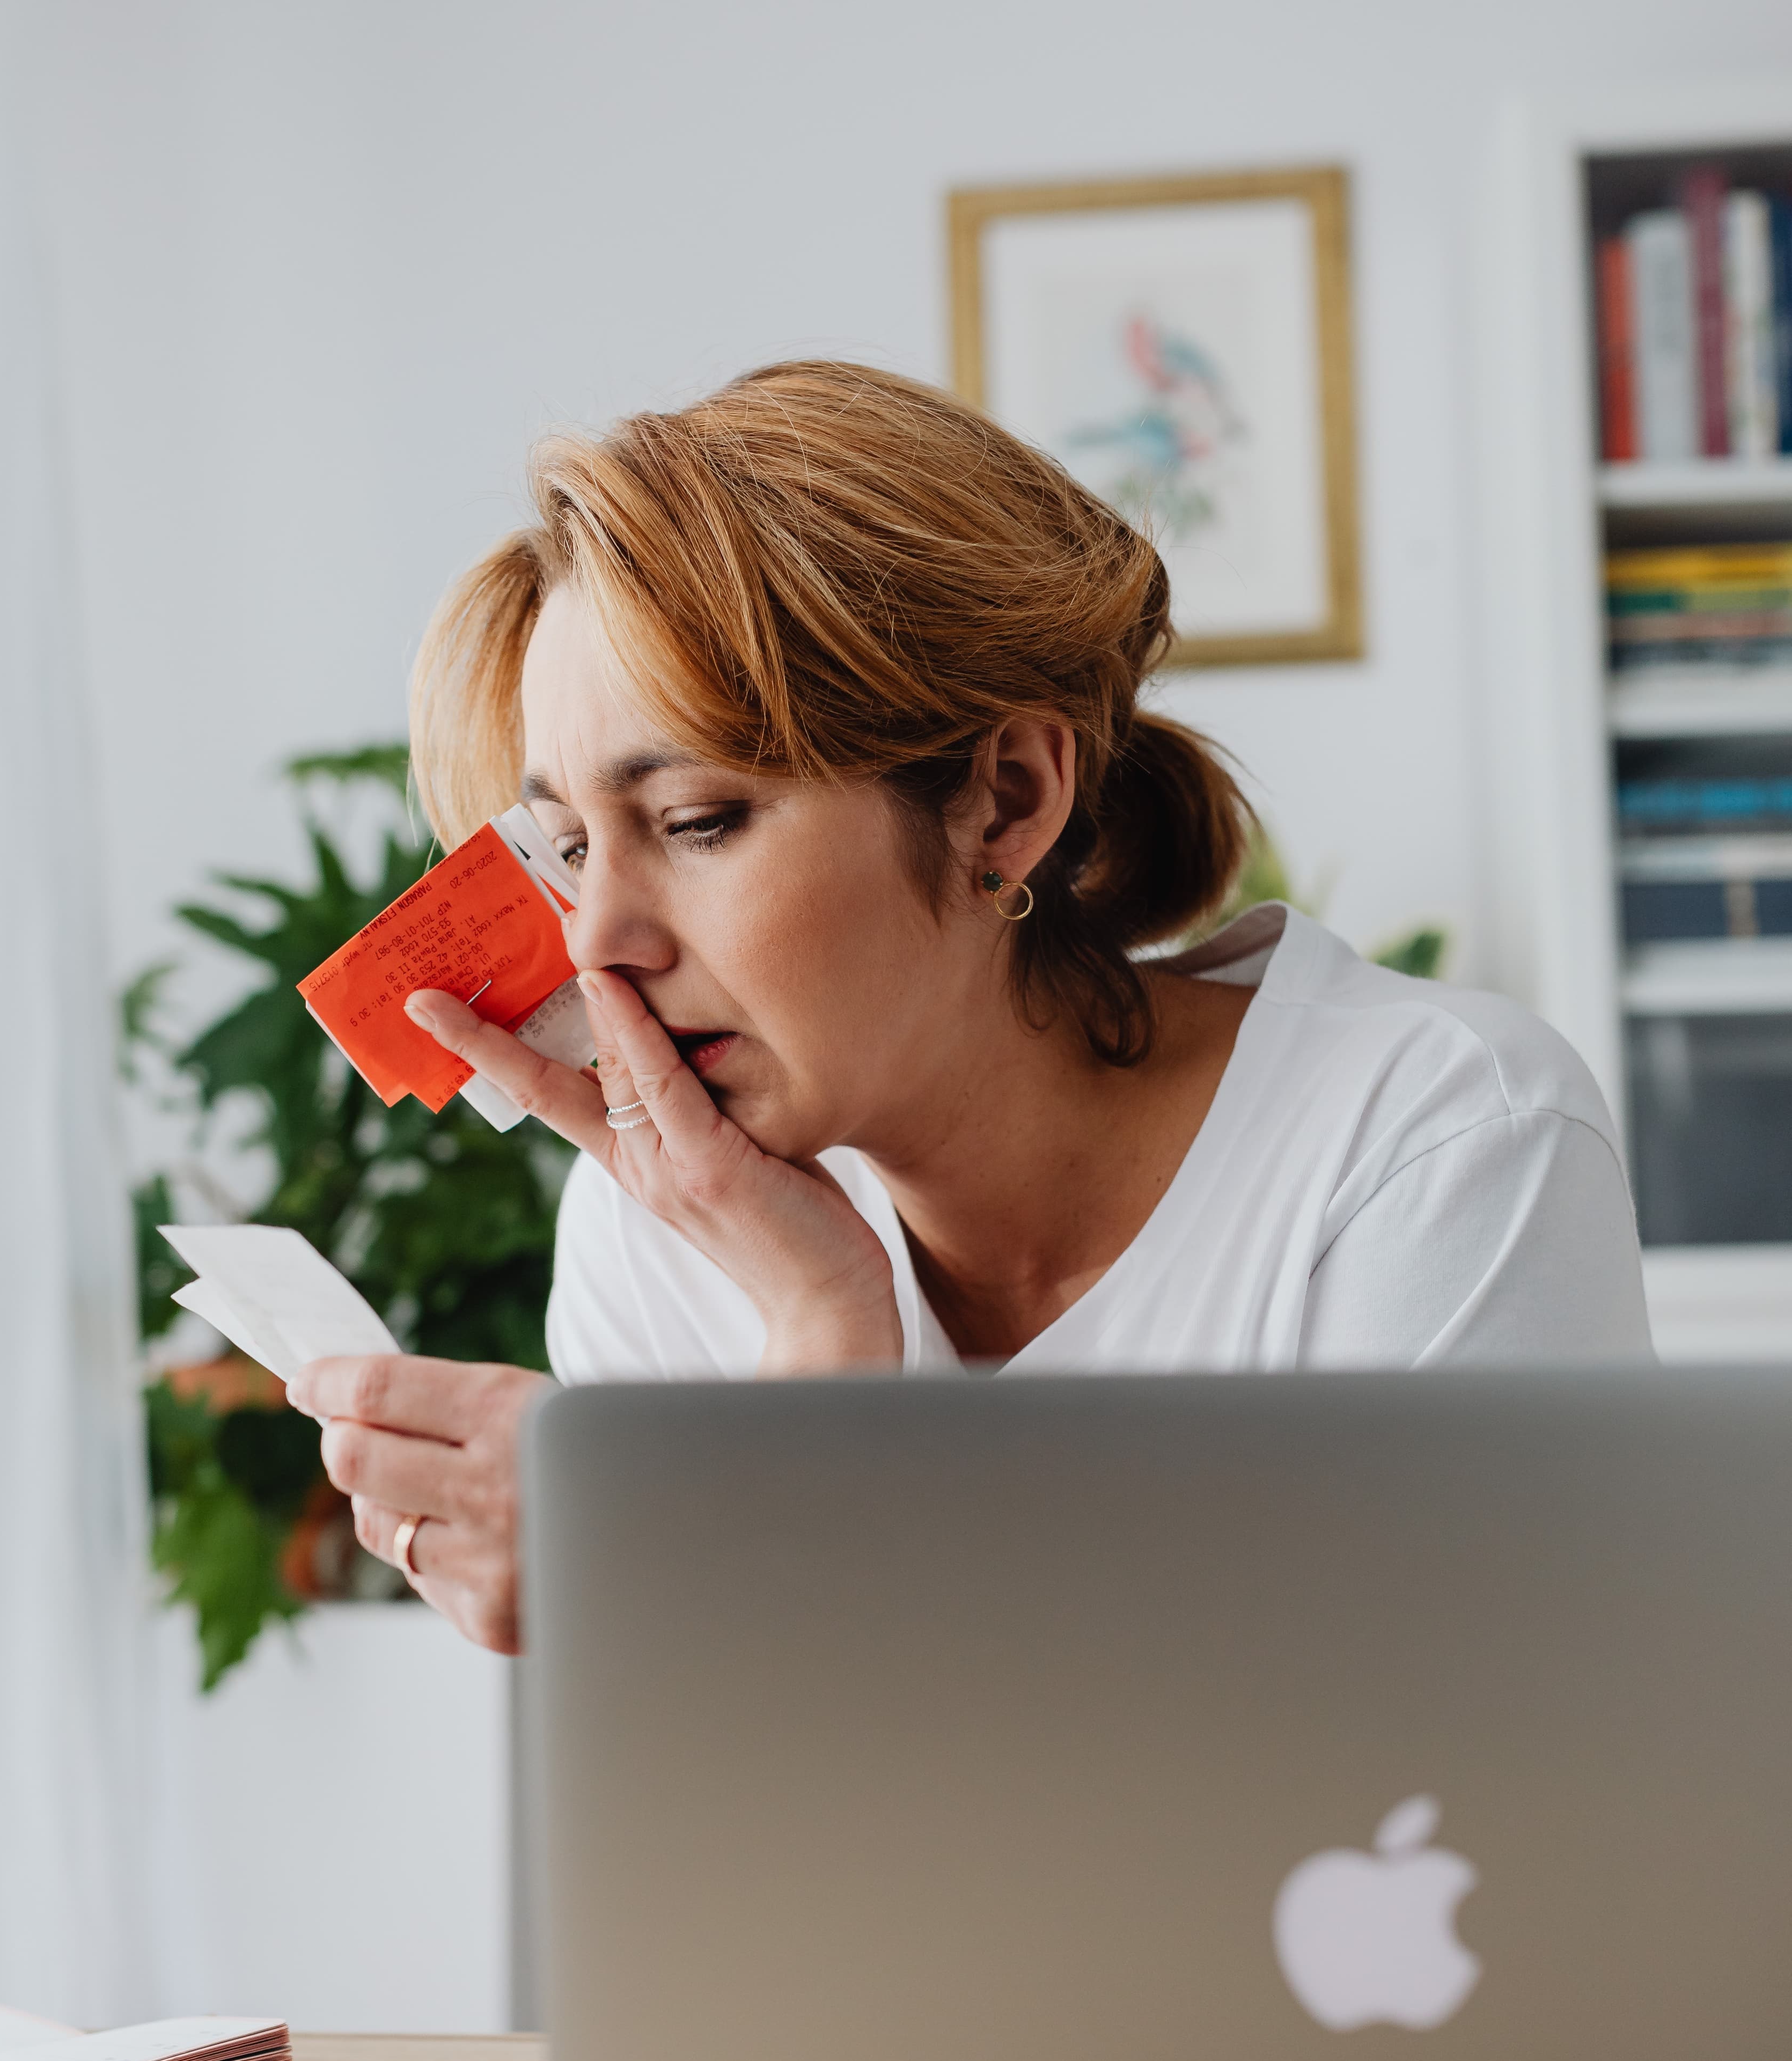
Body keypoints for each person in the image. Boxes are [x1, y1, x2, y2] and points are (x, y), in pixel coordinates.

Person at [289, 361, 1651, 1652]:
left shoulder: (1438, 1148)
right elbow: (752, 1867)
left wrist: (719, 1525)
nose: (598, 938)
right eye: (570, 849)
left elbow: (1430, 1811)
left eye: (696, 821)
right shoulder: (659, 1235)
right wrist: (817, 1329)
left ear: (1007, 802)